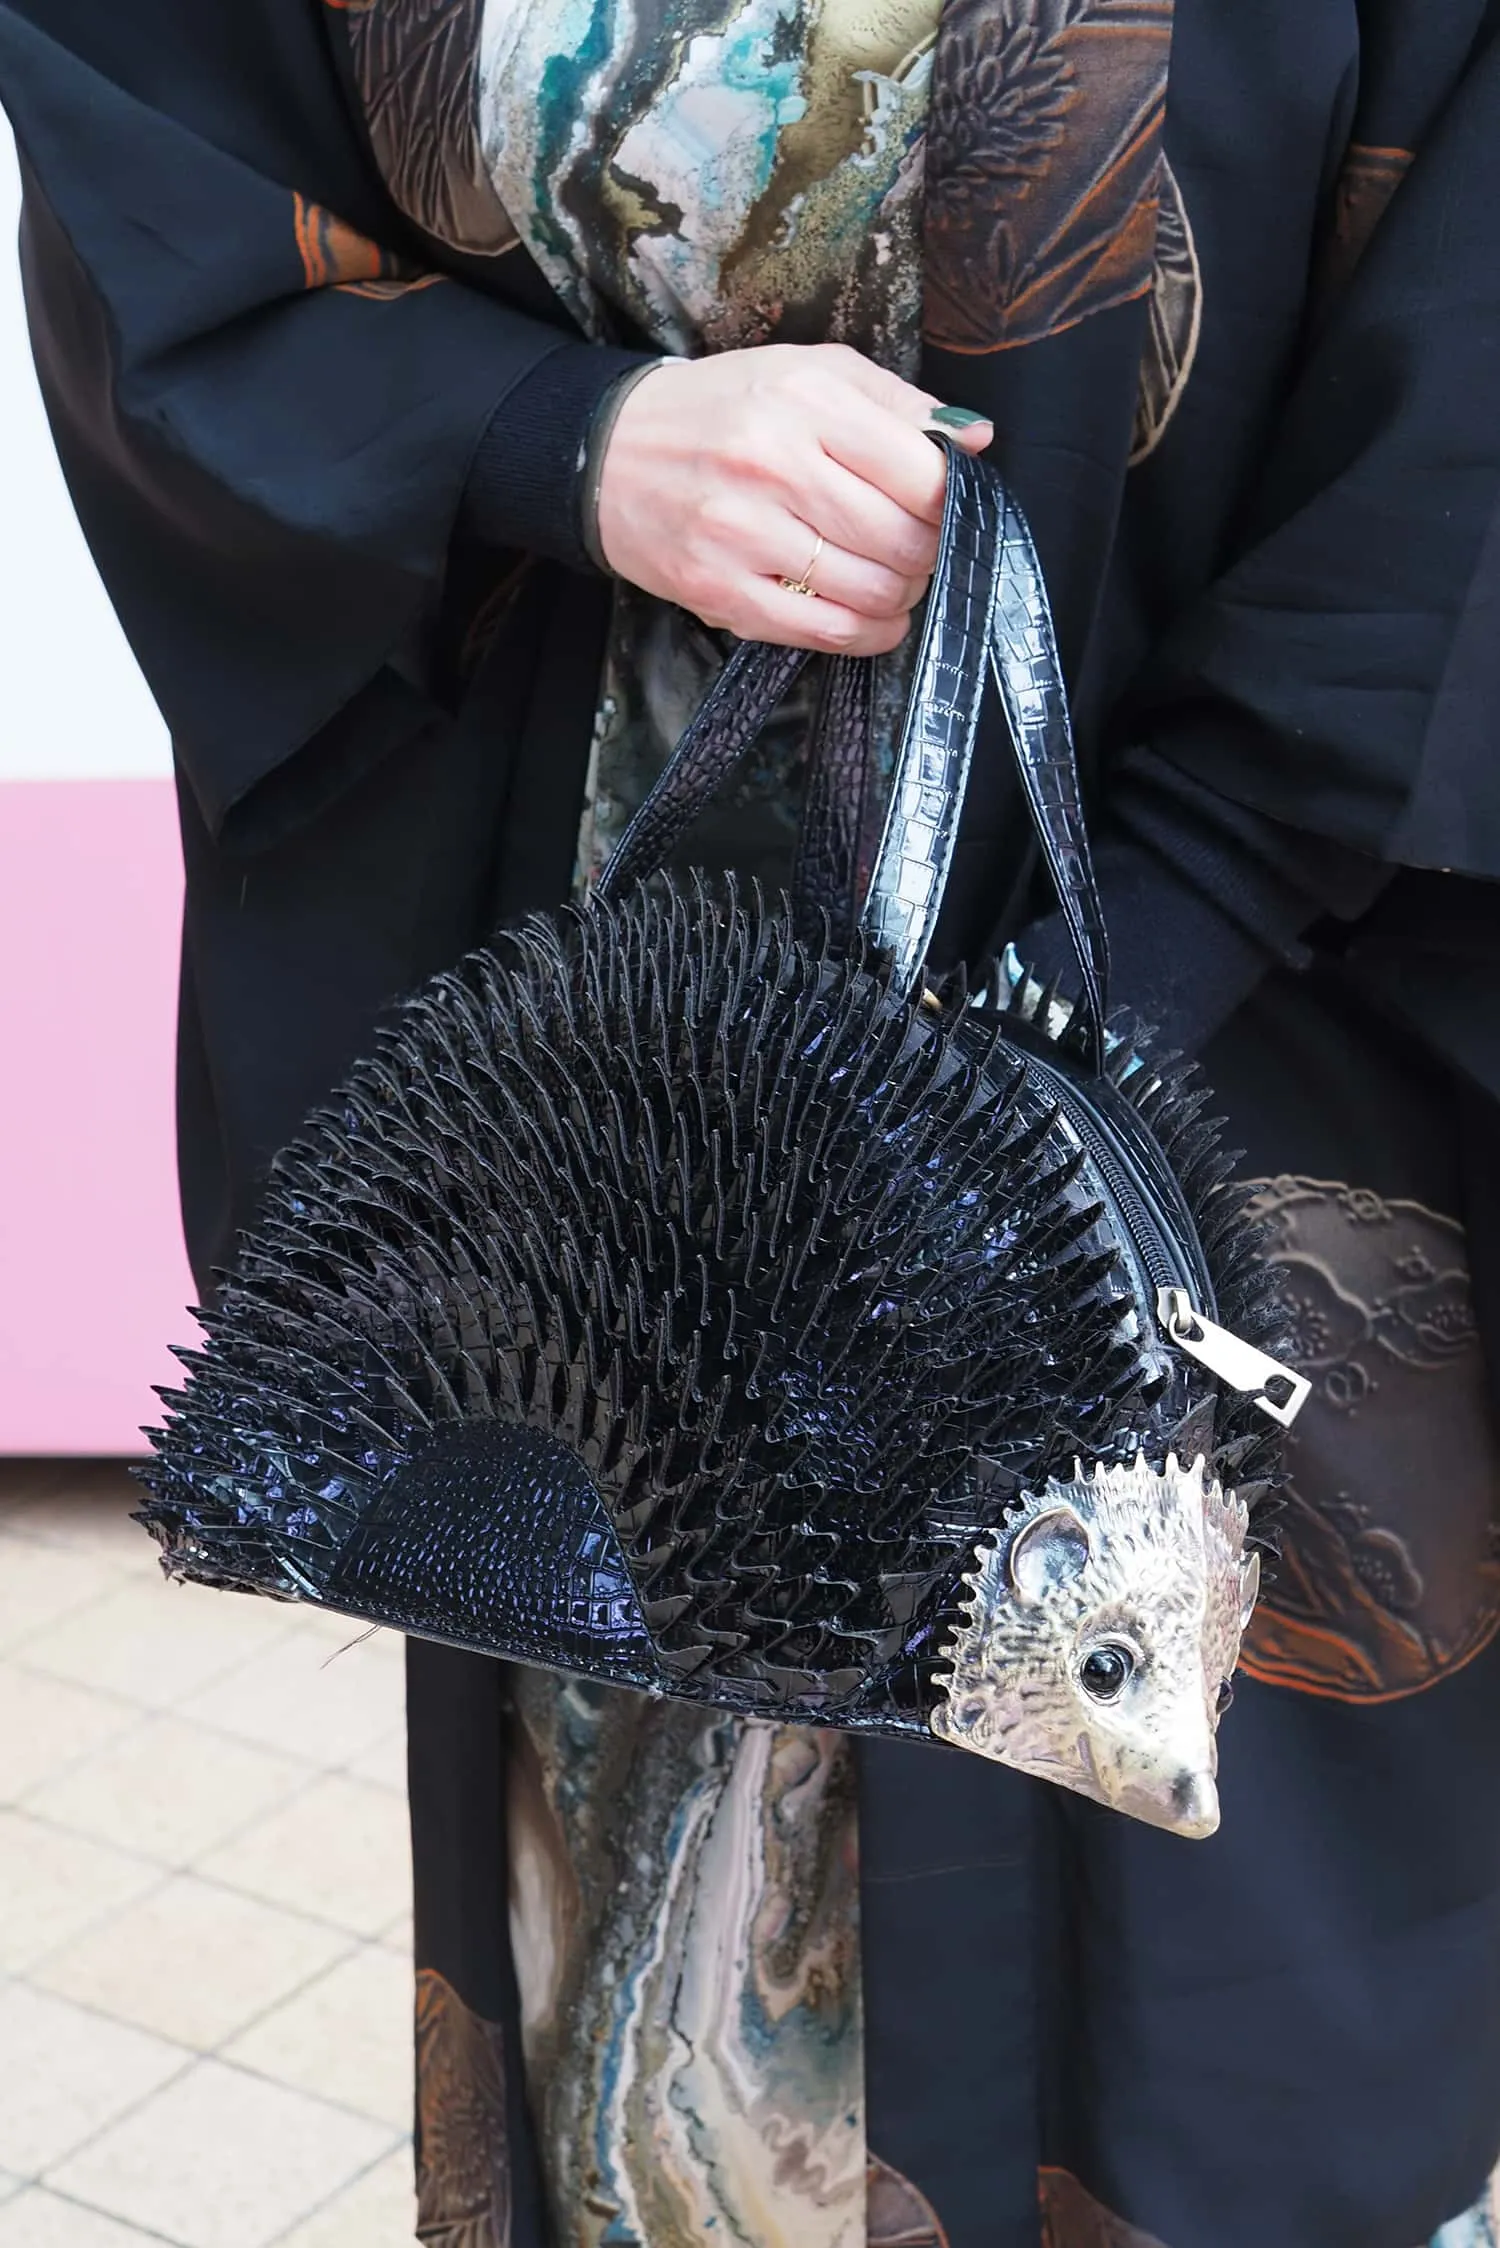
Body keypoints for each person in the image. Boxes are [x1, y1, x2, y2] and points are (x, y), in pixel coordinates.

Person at [3, 3, 1498, 2242]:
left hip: (1256, 1013)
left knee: (1224, 1964)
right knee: (664, 1988)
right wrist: (556, 439)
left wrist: (1123, 977)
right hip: (651, 1092)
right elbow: (162, 162)